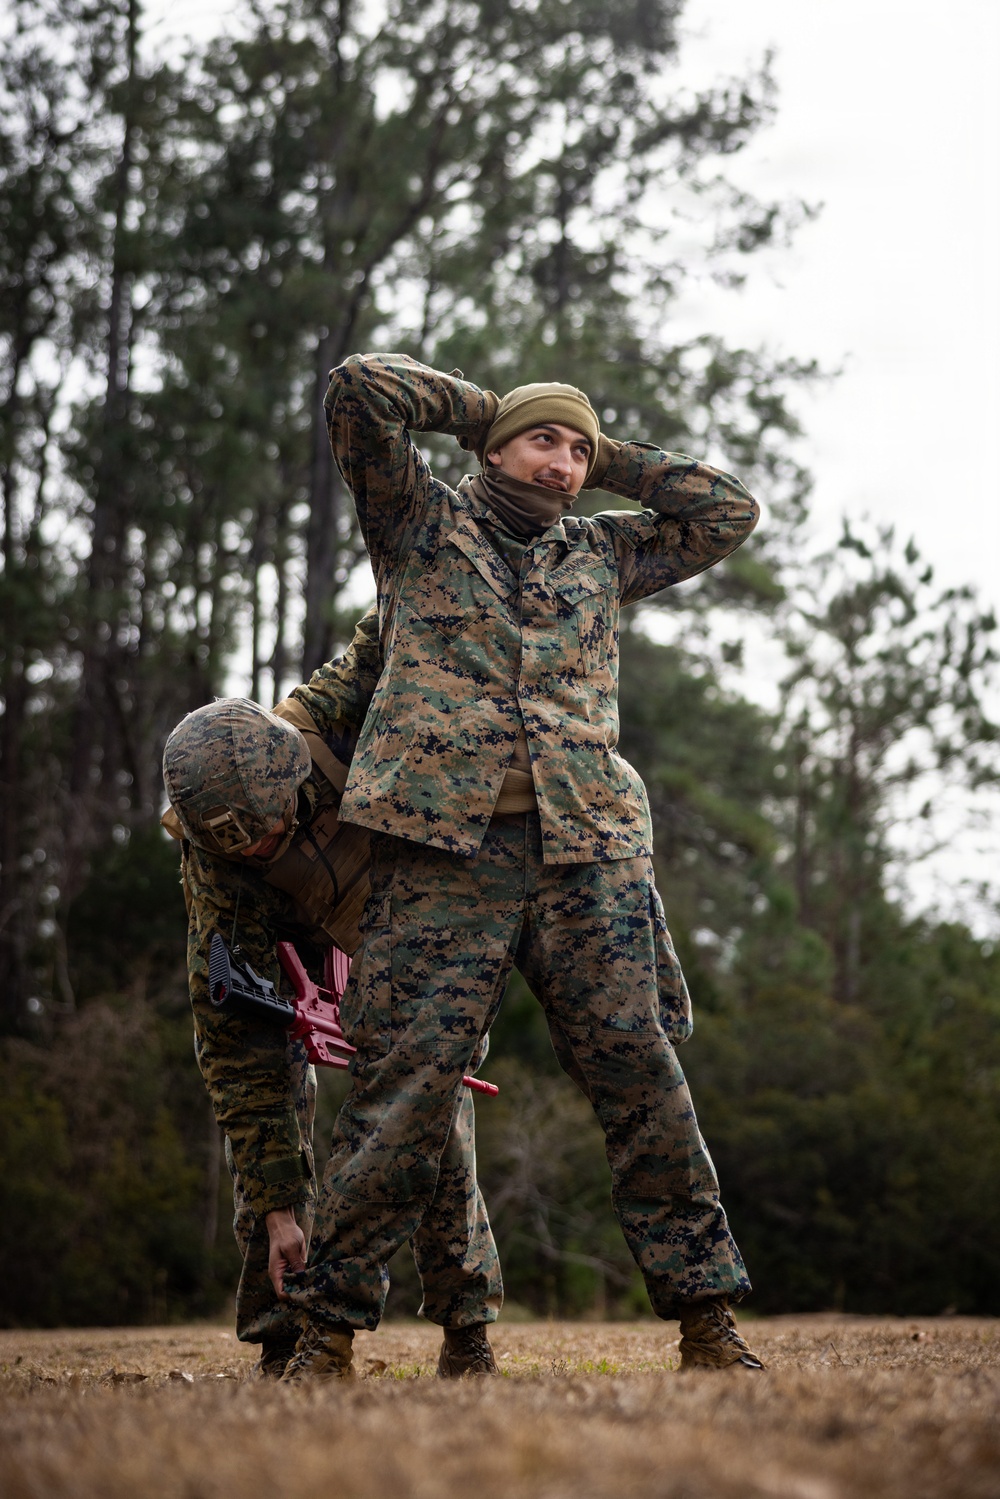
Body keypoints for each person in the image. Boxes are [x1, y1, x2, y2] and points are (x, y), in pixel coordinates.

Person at [277, 353, 766, 1378]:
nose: (565, 461)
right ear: (491, 447)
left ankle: (708, 1318)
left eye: (578, 448)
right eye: (546, 440)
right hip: (439, 852)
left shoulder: (601, 551)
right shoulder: (418, 524)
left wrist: (601, 452)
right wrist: (487, 408)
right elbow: (359, 389)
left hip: (587, 851)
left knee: (640, 1073)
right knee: (401, 1091)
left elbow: (726, 512)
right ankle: (326, 1330)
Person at [161, 607, 502, 1380]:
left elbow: (404, 616)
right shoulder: (216, 860)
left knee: (432, 1108)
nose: (257, 849)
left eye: (268, 831)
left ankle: (467, 1330)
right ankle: (283, 1341)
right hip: (280, 942)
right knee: (268, 1111)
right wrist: (281, 1205)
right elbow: (235, 1050)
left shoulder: (338, 713)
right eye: (238, 843)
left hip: (392, 914)